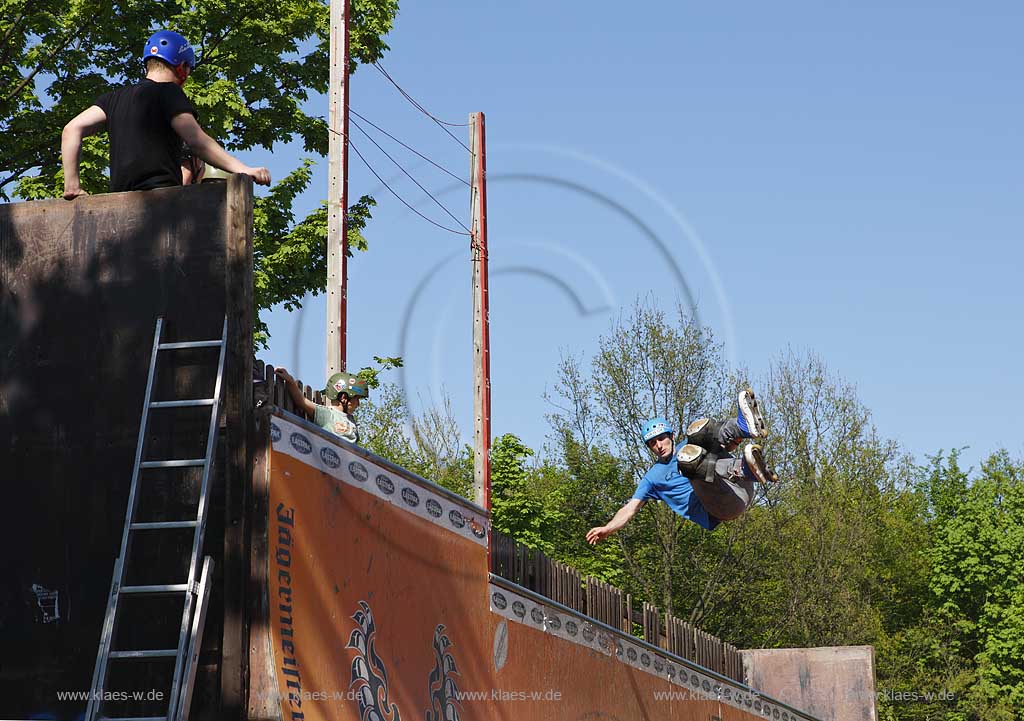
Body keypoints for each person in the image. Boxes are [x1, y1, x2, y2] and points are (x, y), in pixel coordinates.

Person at [61, 30, 270, 199]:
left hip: (119, 203)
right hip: (161, 204)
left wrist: (72, 186)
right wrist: (243, 169)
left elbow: (71, 129)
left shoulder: (113, 98)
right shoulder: (169, 92)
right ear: (183, 67)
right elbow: (196, 141)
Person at [586, 389, 775, 543]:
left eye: (661, 439)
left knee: (699, 430)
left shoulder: (689, 444)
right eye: (653, 443)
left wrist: (737, 435)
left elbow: (728, 445)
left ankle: (743, 427)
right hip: (724, 505)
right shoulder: (652, 478)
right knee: (688, 460)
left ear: (672, 437)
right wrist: (608, 528)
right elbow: (629, 509)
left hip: (742, 483)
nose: (659, 446)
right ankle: (743, 468)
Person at [275, 368, 368, 444]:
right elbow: (301, 401)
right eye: (356, 399)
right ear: (344, 398)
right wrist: (290, 381)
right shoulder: (327, 414)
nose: (358, 404)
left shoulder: (351, 421)